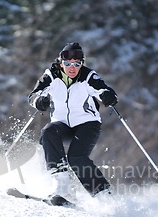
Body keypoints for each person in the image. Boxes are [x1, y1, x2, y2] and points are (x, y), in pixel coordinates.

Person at [28, 42, 118, 199]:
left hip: (87, 124)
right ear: (61, 62)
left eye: (77, 64)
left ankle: (104, 196)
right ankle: (62, 187)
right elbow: (34, 94)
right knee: (48, 132)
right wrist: (39, 100)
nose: (72, 68)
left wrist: (108, 96)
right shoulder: (51, 75)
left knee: (76, 158)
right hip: (62, 124)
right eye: (67, 63)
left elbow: (105, 89)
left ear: (81, 64)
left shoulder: (88, 76)